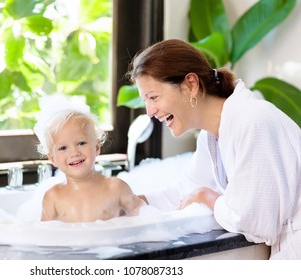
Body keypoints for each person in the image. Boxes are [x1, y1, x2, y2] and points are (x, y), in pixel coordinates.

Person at [126, 39, 301, 259]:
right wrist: (129, 201)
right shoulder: (212, 135)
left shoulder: (252, 121)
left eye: (153, 97)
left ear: (190, 84)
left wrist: (207, 197)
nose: (149, 111)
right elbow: (184, 191)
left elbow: (255, 224)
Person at [34, 96, 143, 223]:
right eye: (63, 148)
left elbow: (145, 220)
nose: (74, 152)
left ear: (97, 147)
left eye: (81, 143)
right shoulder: (53, 197)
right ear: (53, 159)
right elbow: (45, 238)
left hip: (109, 243)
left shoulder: (116, 188)